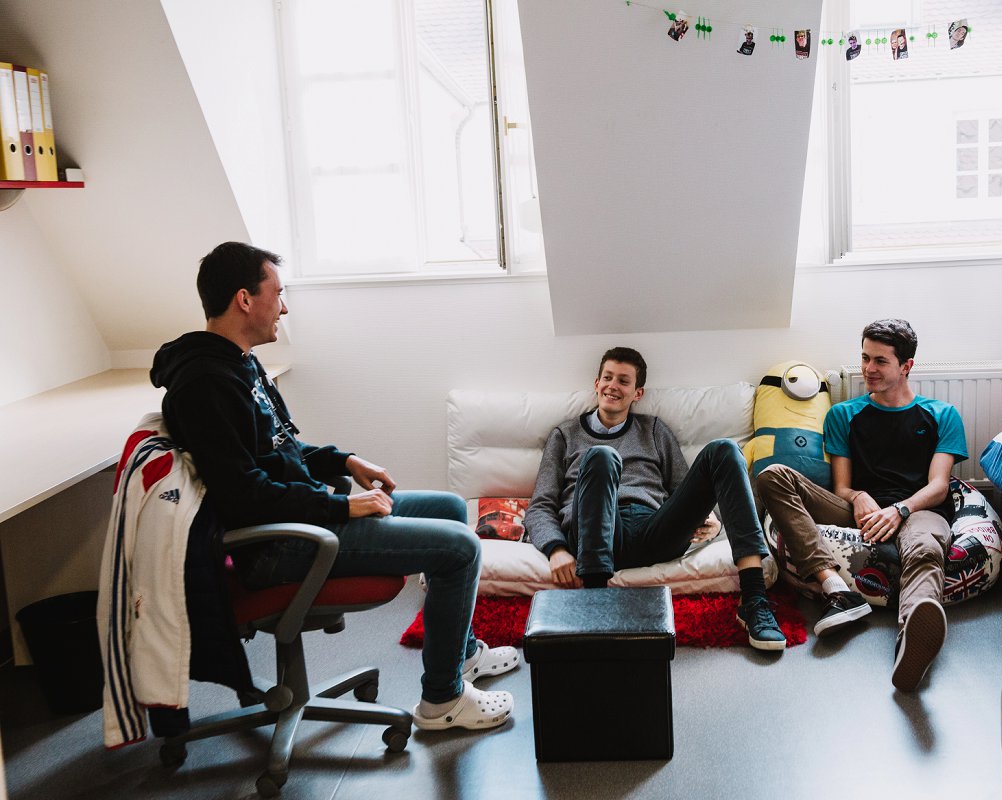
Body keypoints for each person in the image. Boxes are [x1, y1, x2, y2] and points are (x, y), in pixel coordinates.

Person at [151, 242, 518, 731]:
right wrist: (341, 506)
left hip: (300, 515)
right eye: (277, 294)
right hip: (280, 543)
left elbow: (280, 449)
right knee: (461, 548)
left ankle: (461, 654)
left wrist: (344, 460)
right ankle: (442, 701)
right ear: (244, 299)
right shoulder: (206, 383)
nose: (283, 307)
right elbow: (245, 494)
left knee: (450, 507)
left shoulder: (239, 363)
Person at [525, 347, 786, 651]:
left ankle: (754, 599)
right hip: (595, 535)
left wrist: (712, 519)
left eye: (623, 381)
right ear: (596, 384)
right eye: (607, 378)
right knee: (601, 456)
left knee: (724, 450)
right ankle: (595, 605)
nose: (613, 386)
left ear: (637, 393)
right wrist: (555, 549)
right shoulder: (565, 434)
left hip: (655, 530)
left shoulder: (654, 430)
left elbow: (683, 488)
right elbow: (541, 505)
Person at [754, 320, 967, 691]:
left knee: (925, 547)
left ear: (906, 366)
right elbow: (841, 486)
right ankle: (837, 588)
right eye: (865, 358)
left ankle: (912, 635)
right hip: (859, 513)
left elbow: (938, 485)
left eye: (881, 361)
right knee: (774, 475)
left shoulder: (941, 414)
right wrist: (856, 496)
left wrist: (900, 509)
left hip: (919, 510)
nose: (869, 369)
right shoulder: (844, 414)